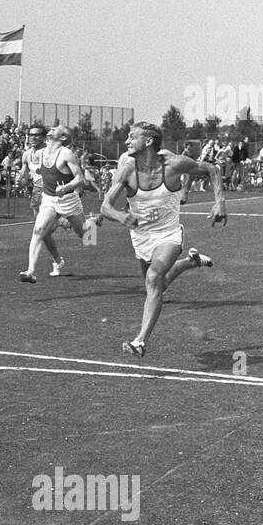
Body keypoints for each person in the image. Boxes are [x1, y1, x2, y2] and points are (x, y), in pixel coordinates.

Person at [99, 121, 227, 357]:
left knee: (154, 277)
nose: (126, 142)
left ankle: (140, 341)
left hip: (168, 234)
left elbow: (212, 169)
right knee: (158, 284)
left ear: (148, 141)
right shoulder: (127, 168)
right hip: (140, 237)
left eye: (131, 137)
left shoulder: (174, 163)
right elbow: (105, 206)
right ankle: (191, 262)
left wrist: (219, 202)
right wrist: (120, 216)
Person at [19, 127, 98, 283]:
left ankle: (93, 222)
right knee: (38, 230)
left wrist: (66, 187)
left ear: (62, 138)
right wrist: (24, 176)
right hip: (48, 199)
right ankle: (30, 272)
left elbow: (80, 178)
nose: (52, 128)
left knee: (86, 237)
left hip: (68, 200)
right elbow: (37, 169)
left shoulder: (66, 154)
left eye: (57, 129)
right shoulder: (42, 152)